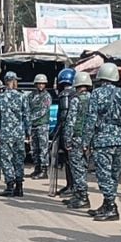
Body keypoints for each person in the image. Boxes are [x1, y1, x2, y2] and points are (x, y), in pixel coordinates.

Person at [87, 62, 121, 221]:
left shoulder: (96, 94)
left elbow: (91, 119)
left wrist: (85, 141)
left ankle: (111, 207)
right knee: (114, 174)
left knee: (103, 174)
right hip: (120, 139)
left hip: (102, 140)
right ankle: (107, 204)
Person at [0, 71, 30, 197]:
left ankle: (10, 186)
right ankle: (19, 187)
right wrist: (28, 133)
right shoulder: (22, 97)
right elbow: (27, 116)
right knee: (19, 159)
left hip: (5, 134)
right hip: (18, 134)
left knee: (6, 159)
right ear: (13, 81)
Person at [62, 72, 94, 210]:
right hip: (89, 138)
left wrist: (67, 140)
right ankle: (78, 195)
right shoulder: (93, 99)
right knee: (83, 166)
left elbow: (71, 121)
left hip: (77, 138)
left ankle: (82, 197)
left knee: (77, 168)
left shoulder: (76, 99)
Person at [51, 68, 76, 196]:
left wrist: (57, 132)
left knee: (69, 160)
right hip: (76, 132)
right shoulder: (77, 93)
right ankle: (70, 185)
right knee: (70, 160)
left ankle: (72, 187)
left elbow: (63, 116)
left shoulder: (65, 95)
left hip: (68, 131)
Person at [27, 74, 53, 179]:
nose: (41, 85)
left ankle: (44, 170)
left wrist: (30, 118)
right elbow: (27, 107)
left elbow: (43, 111)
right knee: (34, 148)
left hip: (42, 125)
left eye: (42, 83)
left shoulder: (47, 96)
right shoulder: (31, 95)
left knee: (43, 149)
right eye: (39, 83)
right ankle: (37, 168)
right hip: (33, 126)